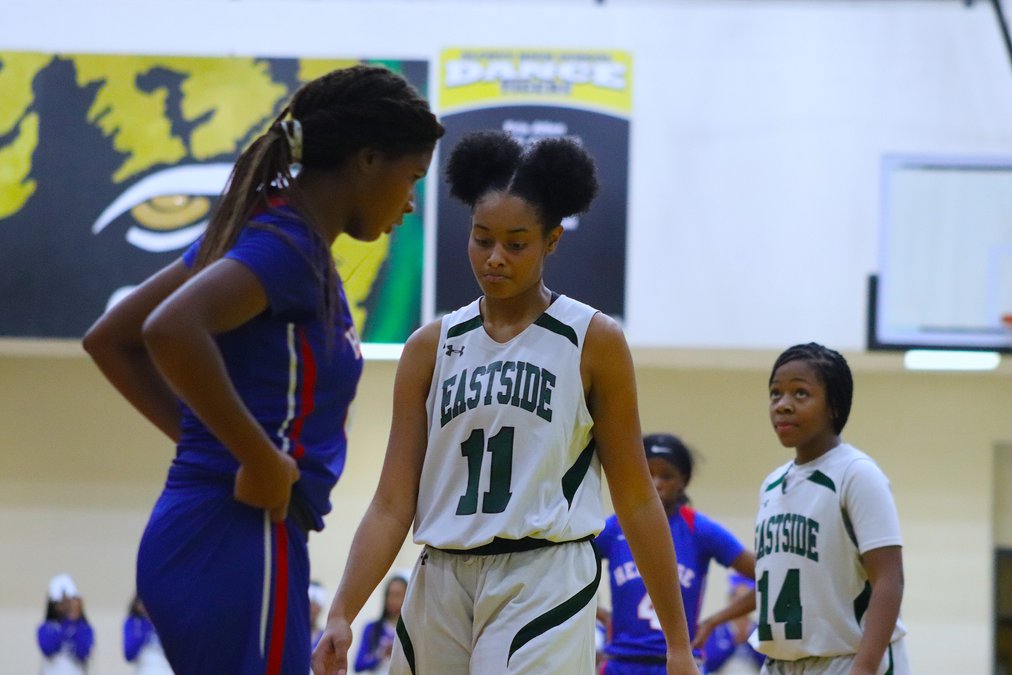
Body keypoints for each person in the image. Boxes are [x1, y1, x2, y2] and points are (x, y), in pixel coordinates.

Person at [82, 64, 443, 675]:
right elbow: (168, 330)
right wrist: (255, 457)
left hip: (221, 530)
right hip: (240, 534)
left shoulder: (273, 231)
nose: (410, 202)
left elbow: (111, 339)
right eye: (410, 178)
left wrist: (222, 448)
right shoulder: (286, 246)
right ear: (367, 160)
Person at [312, 130, 697, 675]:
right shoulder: (429, 346)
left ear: (552, 240)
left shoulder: (593, 339)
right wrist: (342, 612)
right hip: (440, 576)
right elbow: (392, 502)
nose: (495, 258)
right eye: (482, 239)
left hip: (544, 574)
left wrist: (678, 644)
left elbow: (636, 499)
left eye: (516, 244)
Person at [756, 343, 909, 674]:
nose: (782, 405)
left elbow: (889, 579)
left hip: (848, 661)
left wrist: (864, 668)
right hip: (781, 664)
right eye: (775, 393)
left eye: (800, 393)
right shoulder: (770, 485)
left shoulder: (856, 473)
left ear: (834, 407)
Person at [596, 433, 756, 675]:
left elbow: (768, 578)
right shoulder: (615, 527)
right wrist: (599, 614)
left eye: (666, 476)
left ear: (684, 480)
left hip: (678, 662)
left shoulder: (700, 529)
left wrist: (715, 621)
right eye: (648, 474)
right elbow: (565, 569)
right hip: (621, 662)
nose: (656, 483)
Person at [701, 575, 764, 674]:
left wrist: (750, 641)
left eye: (746, 599)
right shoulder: (717, 630)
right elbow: (709, 663)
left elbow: (767, 663)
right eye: (738, 598)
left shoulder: (759, 630)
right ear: (730, 599)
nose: (742, 605)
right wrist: (732, 642)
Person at [37, 573, 93, 675]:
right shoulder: (46, 628)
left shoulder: (84, 628)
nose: (65, 605)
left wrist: (73, 622)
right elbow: (48, 648)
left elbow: (83, 652)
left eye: (69, 601)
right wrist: (66, 625)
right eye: (61, 601)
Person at [353, 574, 408, 673]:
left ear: (407, 597)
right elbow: (358, 665)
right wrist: (380, 655)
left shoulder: (411, 630)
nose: (392, 599)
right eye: (389, 594)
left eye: (397, 595)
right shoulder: (372, 628)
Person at [123, 594, 173, 674]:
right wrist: (143, 629)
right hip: (145, 669)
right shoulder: (134, 623)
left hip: (167, 669)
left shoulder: (168, 623)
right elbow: (129, 654)